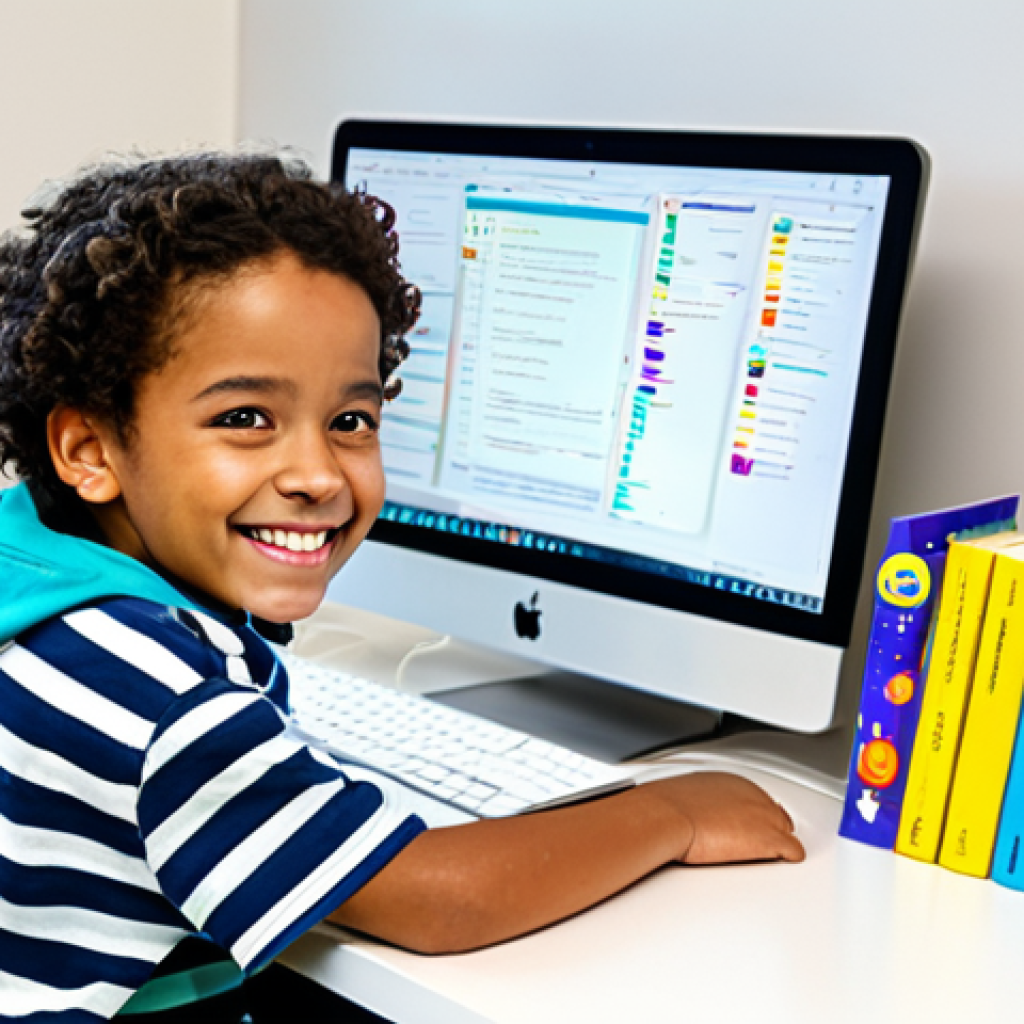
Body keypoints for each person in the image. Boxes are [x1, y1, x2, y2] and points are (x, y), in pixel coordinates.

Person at [0, 152, 804, 1023]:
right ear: (89, 450)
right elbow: (433, 900)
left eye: (350, 420)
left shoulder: (38, 575)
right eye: (245, 418)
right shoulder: (159, 696)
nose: (317, 474)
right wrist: (672, 815)